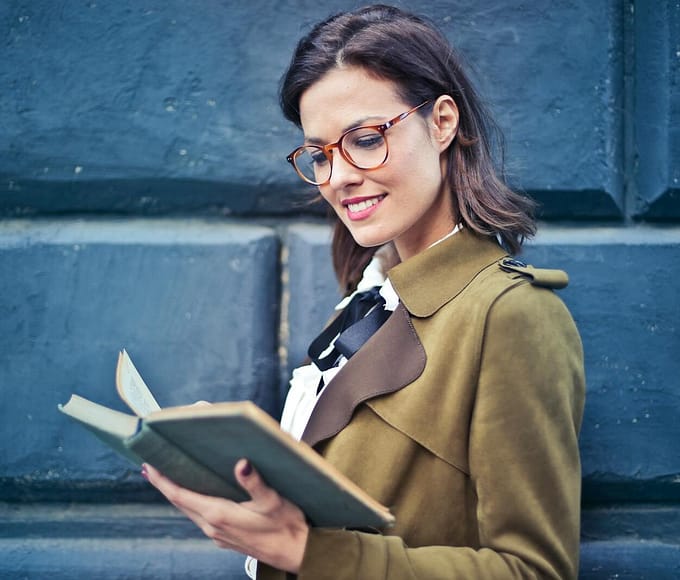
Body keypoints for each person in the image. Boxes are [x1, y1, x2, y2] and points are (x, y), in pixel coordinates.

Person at [144, 4, 586, 579]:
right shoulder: (367, 300)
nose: (339, 176)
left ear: (442, 122)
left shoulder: (511, 315)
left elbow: (534, 571)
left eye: (365, 138)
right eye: (320, 154)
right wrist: (250, 468)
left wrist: (309, 551)